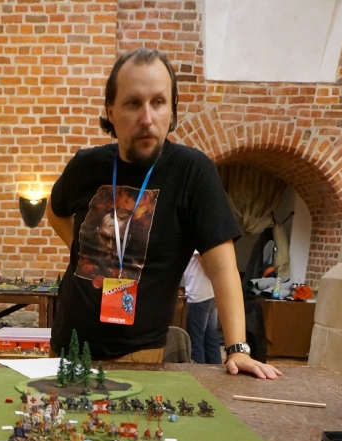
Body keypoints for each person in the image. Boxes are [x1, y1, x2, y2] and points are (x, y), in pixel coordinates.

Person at [47, 48, 280, 379]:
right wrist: (82, 250)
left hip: (139, 352)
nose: (146, 118)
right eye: (133, 103)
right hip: (67, 345)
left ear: (172, 110)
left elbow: (222, 267)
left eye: (158, 102)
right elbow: (55, 211)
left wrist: (237, 348)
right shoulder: (86, 165)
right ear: (110, 111)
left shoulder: (191, 172)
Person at [182, 250, 221, 364]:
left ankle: (198, 372)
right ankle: (216, 371)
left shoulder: (196, 243)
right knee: (211, 338)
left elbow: (204, 261)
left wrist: (214, 275)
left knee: (195, 340)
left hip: (198, 295)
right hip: (211, 293)